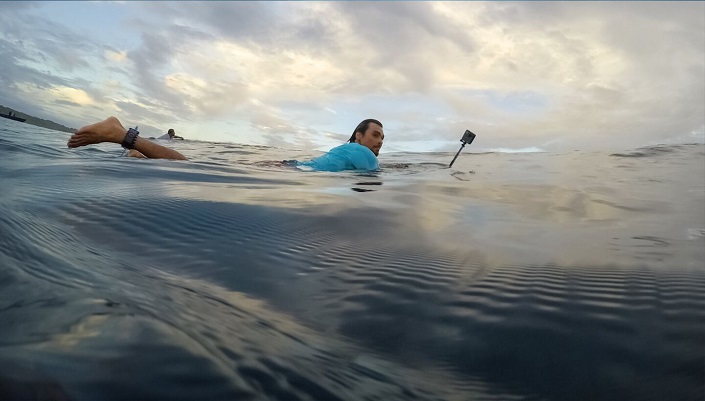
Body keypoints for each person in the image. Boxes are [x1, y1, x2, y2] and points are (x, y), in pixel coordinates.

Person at [67, 116, 384, 171]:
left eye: (382, 138)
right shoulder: (363, 156)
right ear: (358, 135)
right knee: (186, 168)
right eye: (375, 135)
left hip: (292, 168)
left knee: (189, 166)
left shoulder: (347, 152)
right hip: (295, 172)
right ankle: (122, 135)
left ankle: (136, 150)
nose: (379, 142)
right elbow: (377, 173)